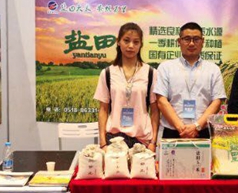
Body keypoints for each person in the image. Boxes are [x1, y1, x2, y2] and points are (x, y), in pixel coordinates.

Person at [154, 22, 226, 139]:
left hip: (202, 131)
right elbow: (161, 101)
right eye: (187, 39)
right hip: (172, 131)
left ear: (202, 41)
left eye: (196, 39)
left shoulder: (213, 69)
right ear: (179, 41)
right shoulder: (166, 67)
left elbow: (217, 102)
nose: (191, 43)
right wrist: (181, 127)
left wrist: (196, 126)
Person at [94, 22, 159, 151]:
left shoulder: (151, 73)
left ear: (141, 45)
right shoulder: (107, 73)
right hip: (114, 139)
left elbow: (155, 111)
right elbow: (103, 109)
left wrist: (153, 142)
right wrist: (102, 143)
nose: (131, 46)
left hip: (142, 139)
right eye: (126, 40)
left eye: (136, 42)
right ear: (118, 42)